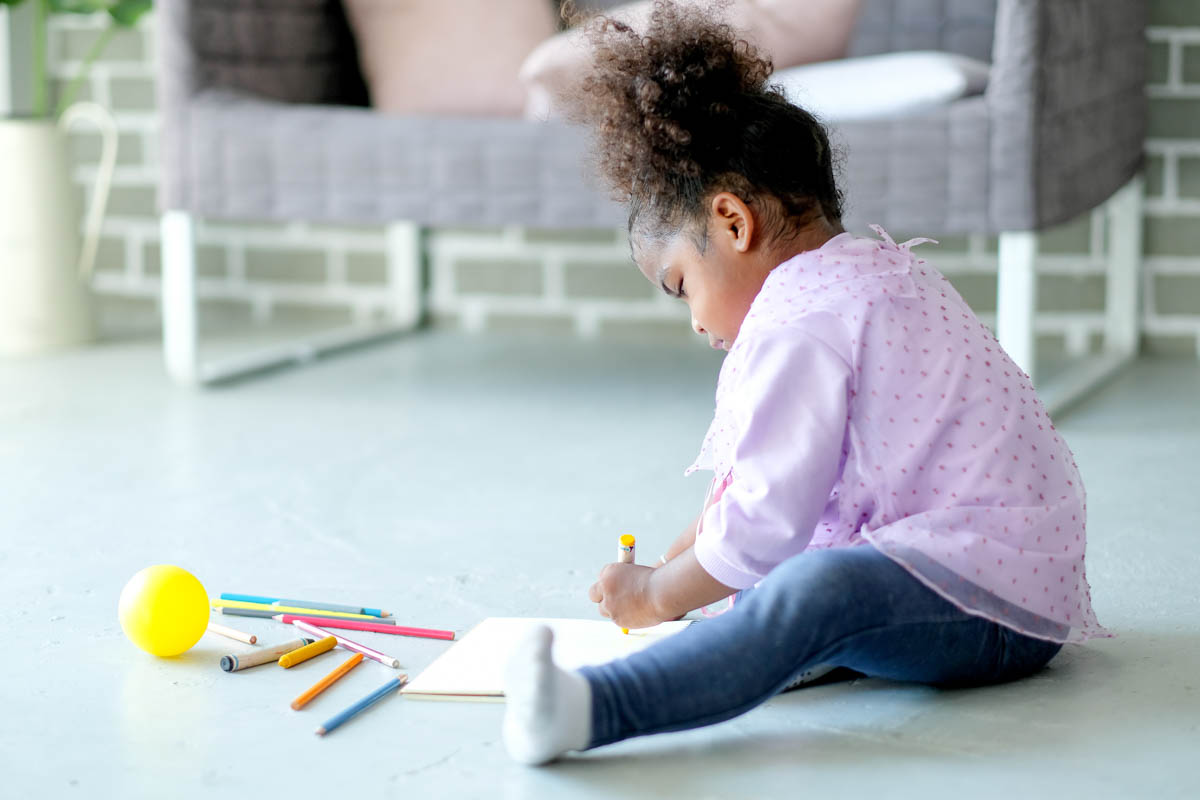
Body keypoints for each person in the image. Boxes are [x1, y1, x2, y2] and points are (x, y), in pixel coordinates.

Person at [502, 1, 1108, 765]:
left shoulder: (799, 322)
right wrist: (671, 568)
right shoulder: (865, 273)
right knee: (773, 593)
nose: (693, 319)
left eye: (681, 283)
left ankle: (592, 708)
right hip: (1002, 580)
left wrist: (657, 597)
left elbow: (758, 527)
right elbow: (750, 489)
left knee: (809, 591)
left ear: (732, 222)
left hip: (983, 603)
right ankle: (769, 648)